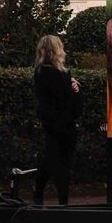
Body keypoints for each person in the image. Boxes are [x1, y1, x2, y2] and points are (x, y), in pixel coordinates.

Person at [31, 34, 82, 206]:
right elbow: (71, 103)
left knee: (49, 159)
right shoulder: (62, 74)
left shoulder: (40, 72)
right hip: (65, 124)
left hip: (49, 123)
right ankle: (62, 200)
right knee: (63, 163)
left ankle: (38, 195)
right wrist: (76, 90)